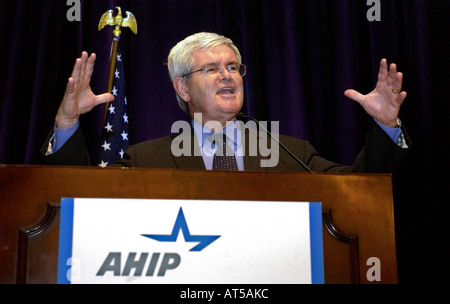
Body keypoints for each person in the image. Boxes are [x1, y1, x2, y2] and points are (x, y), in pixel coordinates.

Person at [41, 32, 410, 172]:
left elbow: (360, 191)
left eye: (232, 67)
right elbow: (80, 200)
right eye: (211, 69)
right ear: (183, 89)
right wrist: (67, 124)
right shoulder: (145, 161)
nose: (227, 75)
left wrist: (385, 126)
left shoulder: (289, 153)